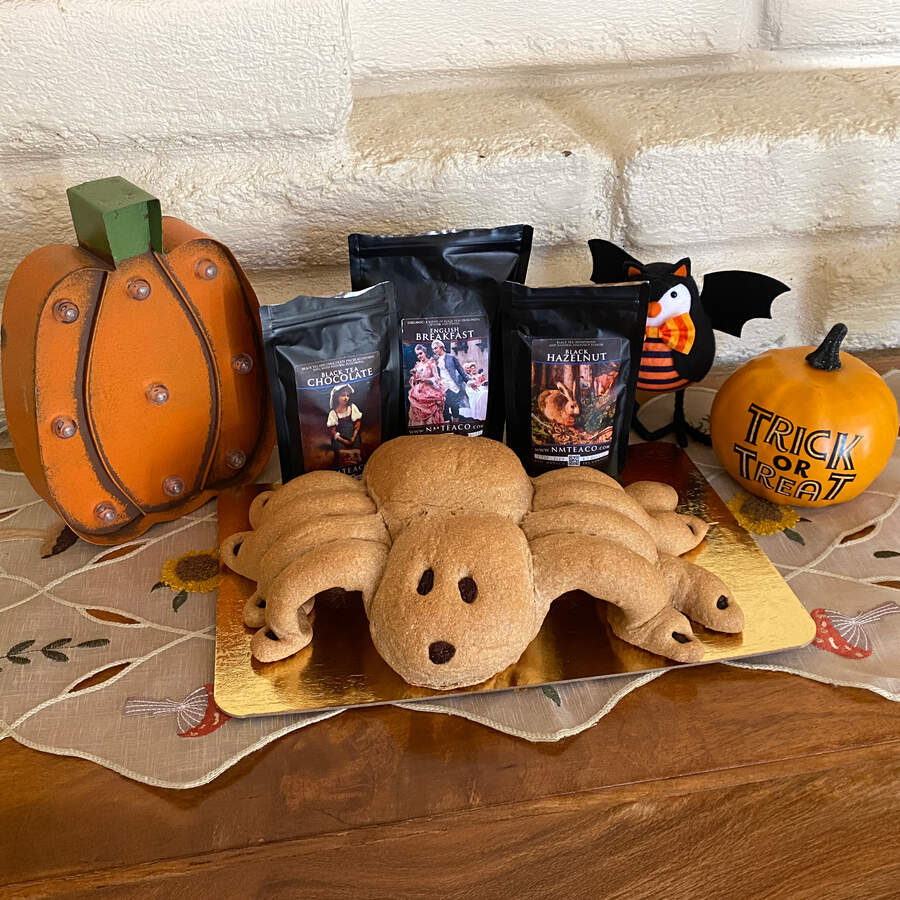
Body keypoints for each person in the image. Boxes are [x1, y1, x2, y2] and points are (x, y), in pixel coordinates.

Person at [430, 339, 469, 423]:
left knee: (455, 409)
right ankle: (448, 429)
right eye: (433, 349)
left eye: (435, 348)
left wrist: (468, 381)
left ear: (441, 347)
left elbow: (461, 371)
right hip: (443, 388)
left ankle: (455, 427)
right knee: (444, 410)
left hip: (453, 387)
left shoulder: (451, 357)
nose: (434, 350)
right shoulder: (436, 361)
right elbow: (434, 374)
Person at [408, 344, 446, 426]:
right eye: (417, 354)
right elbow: (416, 379)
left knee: (431, 413)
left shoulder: (431, 363)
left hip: (429, 392)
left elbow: (436, 379)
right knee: (416, 410)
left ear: (425, 352)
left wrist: (425, 379)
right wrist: (413, 378)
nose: (419, 356)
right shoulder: (417, 365)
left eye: (420, 353)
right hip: (418, 391)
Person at [327, 385, 362, 465]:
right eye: (343, 395)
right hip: (340, 440)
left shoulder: (352, 407)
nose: (346, 398)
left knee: (356, 457)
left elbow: (358, 423)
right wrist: (344, 441)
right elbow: (333, 432)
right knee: (343, 459)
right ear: (337, 397)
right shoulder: (333, 413)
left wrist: (353, 438)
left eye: (347, 395)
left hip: (353, 437)